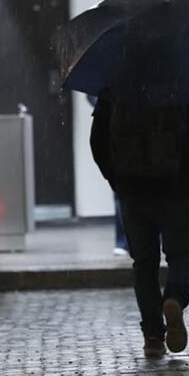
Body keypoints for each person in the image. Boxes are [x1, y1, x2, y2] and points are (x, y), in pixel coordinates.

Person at [90, 97, 189, 358]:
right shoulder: (183, 78)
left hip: (133, 191)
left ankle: (152, 336)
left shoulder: (117, 81)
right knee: (182, 255)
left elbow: (98, 142)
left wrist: (117, 180)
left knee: (144, 263)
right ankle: (173, 297)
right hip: (177, 188)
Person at [86, 94, 129, 256]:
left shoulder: (113, 82)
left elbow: (97, 143)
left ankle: (124, 241)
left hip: (125, 161)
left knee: (124, 199)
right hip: (165, 166)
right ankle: (124, 241)